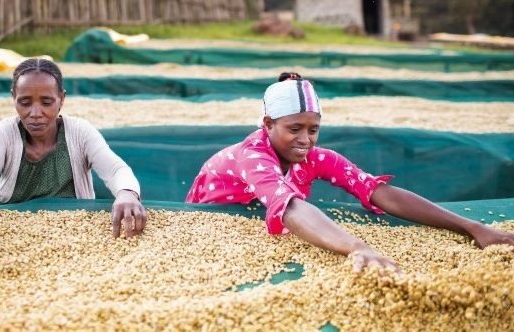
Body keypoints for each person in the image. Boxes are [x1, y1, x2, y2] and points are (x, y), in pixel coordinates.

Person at [186, 72, 514, 272]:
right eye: (294, 128)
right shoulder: (253, 156)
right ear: (269, 124)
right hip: (206, 222)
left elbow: (376, 192)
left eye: (313, 130)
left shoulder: (314, 157)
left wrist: (472, 227)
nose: (305, 140)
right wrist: (357, 247)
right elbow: (288, 206)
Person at [0, 59, 146, 262]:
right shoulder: (4, 134)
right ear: (13, 98)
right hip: (12, 238)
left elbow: (115, 169)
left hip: (76, 238)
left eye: (47, 103)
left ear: (61, 99)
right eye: (25, 102)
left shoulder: (80, 132)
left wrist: (127, 193)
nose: (36, 113)